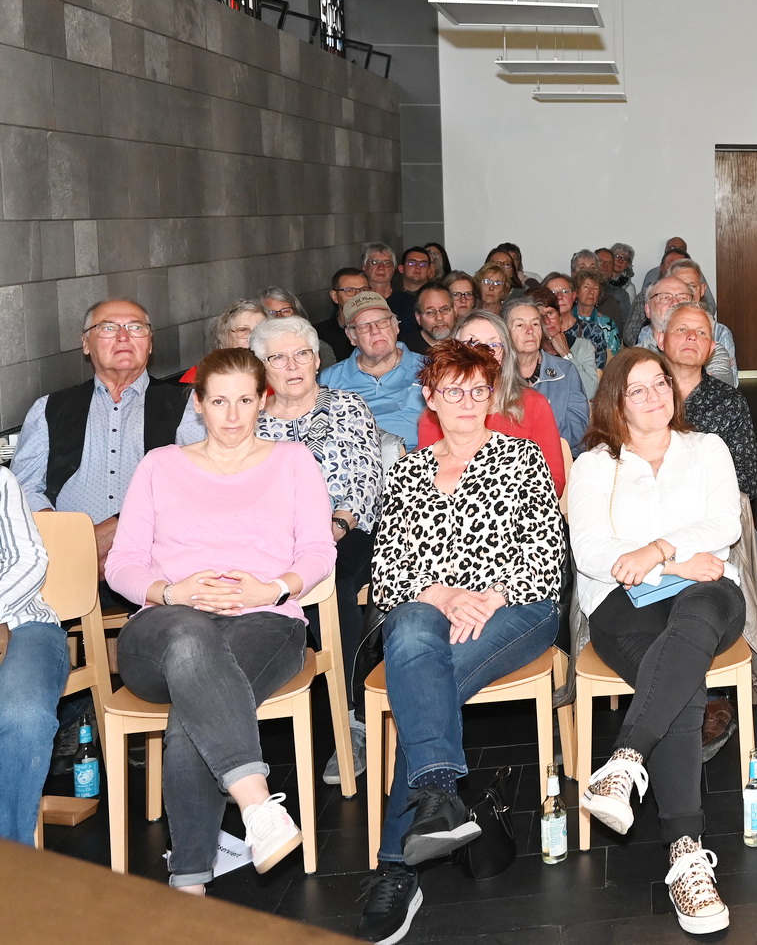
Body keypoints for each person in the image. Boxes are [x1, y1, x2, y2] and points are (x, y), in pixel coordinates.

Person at [356, 341, 565, 945]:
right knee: (415, 629)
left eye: (478, 390)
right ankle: (440, 799)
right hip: (432, 617)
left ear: (492, 396)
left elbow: (546, 557)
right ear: (430, 398)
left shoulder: (521, 458)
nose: (468, 402)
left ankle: (396, 868)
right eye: (454, 391)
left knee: (421, 680)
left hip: (517, 610)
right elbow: (390, 571)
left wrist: (490, 596)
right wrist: (446, 596)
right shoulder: (408, 470)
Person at [104, 348, 334, 889]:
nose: (232, 416)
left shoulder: (293, 460)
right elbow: (121, 564)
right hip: (162, 626)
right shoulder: (159, 465)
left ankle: (188, 879)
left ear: (263, 402)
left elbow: (320, 552)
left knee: (197, 701)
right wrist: (171, 589)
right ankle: (257, 803)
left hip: (266, 619)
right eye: (219, 402)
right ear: (199, 403)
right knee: (189, 638)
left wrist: (273, 586)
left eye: (245, 401)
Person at [570, 348, 743, 934]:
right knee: (682, 680)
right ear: (614, 403)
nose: (653, 396)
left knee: (691, 629)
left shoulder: (707, 448)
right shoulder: (594, 464)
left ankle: (626, 759)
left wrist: (655, 550)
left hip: (710, 593)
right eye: (636, 389)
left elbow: (725, 525)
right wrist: (674, 562)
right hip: (624, 604)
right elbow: (594, 553)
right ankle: (686, 855)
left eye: (659, 383)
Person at [253, 316, 385, 784]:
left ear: (316, 360)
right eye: (278, 358)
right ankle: (242, 728)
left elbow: (366, 478)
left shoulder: (347, 406)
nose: (292, 366)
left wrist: (335, 524)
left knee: (337, 585)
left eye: (302, 354)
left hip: (344, 532)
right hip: (267, 543)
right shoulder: (251, 420)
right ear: (261, 368)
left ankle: (351, 719)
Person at [12, 299, 203, 595]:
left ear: (150, 344)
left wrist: (115, 533)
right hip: (61, 559)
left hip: (156, 560)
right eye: (109, 327)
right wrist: (68, 539)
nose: (124, 337)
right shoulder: (49, 408)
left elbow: (199, 484)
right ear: (86, 344)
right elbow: (21, 488)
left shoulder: (188, 404)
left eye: (136, 327)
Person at [0, 464, 70, 846]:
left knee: (22, 715)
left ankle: (11, 867)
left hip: (22, 621)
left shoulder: (1, 481)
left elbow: (29, 560)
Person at [422, 311, 567, 492]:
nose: (482, 352)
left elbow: (552, 481)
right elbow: (427, 481)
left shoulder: (534, 404)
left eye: (493, 344)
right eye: (472, 343)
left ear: (506, 354)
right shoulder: (439, 411)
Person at [661, 305, 757, 502]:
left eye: (701, 332)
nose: (692, 336)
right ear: (660, 339)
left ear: (711, 348)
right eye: (681, 329)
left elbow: (748, 478)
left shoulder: (729, 401)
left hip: (709, 509)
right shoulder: (640, 395)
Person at [320, 293, 427, 449]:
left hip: (419, 461)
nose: (375, 331)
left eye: (382, 322)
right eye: (364, 326)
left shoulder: (429, 368)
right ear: (351, 336)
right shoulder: (330, 380)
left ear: (396, 326)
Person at [503, 295, 590, 448]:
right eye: (520, 325)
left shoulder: (565, 371)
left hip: (560, 456)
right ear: (505, 333)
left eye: (535, 324)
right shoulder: (497, 374)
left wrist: (538, 445)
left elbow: (578, 428)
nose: (530, 331)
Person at [180, 298, 270, 385]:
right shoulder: (199, 376)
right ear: (225, 335)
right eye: (243, 330)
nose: (252, 337)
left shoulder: (275, 380)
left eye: (260, 330)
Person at [364, 243, 418, 339]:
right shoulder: (358, 303)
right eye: (375, 262)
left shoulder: (410, 302)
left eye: (387, 263)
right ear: (364, 268)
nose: (381, 267)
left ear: (393, 269)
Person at [316, 267, 371, 361]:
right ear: (334, 296)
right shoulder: (319, 335)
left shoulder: (381, 328)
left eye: (364, 290)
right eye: (350, 291)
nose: (358, 296)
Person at [573, 270, 624, 356]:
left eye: (595, 288)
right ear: (576, 292)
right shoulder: (565, 319)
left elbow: (616, 358)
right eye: (586, 286)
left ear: (599, 295)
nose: (591, 292)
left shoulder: (607, 324)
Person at [411, 281, 456, 345]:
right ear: (418, 317)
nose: (439, 318)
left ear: (455, 311)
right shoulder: (405, 350)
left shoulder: (467, 344)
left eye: (445, 309)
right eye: (430, 312)